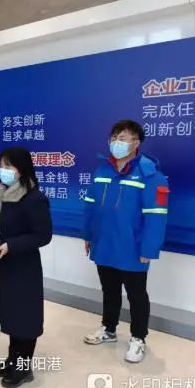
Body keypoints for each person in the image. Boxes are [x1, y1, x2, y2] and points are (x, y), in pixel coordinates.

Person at [83, 119, 169, 363]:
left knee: (136, 294)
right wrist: (88, 235)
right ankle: (109, 329)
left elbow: (156, 215)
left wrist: (149, 248)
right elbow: (90, 206)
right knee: (109, 290)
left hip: (133, 247)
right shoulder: (102, 170)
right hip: (104, 243)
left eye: (122, 138)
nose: (116, 142)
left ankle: (138, 338)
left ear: (136, 142)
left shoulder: (150, 174)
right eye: (114, 137)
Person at [0, 147, 53, 388]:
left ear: (21, 169)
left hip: (23, 265)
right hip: (2, 263)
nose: (4, 170)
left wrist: (12, 245)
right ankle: (12, 360)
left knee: (25, 316)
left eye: (9, 166)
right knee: (10, 313)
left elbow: (43, 235)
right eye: (2, 165)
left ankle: (24, 367)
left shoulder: (34, 198)